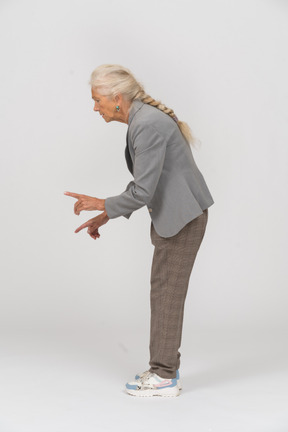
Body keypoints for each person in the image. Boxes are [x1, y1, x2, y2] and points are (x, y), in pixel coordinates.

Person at [65, 64, 214, 397]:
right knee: (163, 292)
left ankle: (164, 376)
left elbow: (143, 191)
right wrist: (107, 214)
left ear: (117, 98)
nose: (94, 107)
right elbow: (146, 185)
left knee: (166, 295)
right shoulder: (143, 119)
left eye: (97, 100)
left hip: (183, 219)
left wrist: (100, 204)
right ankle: (163, 369)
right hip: (180, 215)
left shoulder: (146, 124)